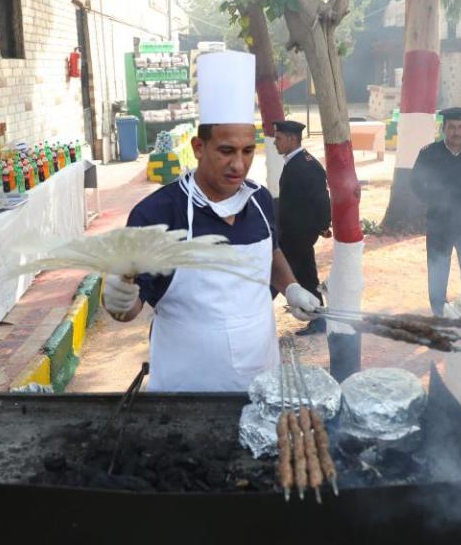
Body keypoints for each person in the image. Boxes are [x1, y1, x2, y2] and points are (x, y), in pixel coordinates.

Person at [101, 51, 322, 392]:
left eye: (248, 151)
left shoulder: (261, 201)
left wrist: (290, 287)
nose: (239, 164)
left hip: (260, 381)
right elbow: (129, 308)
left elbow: (271, 251)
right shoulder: (157, 215)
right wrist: (118, 300)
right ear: (199, 147)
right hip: (186, 393)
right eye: (226, 151)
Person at [411, 107, 461, 316]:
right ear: (443, 128)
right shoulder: (429, 153)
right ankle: (440, 313)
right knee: (438, 270)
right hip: (439, 223)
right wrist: (434, 201)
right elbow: (415, 182)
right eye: (451, 127)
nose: (456, 132)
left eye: (460, 127)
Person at [273, 120, 332, 336]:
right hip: (290, 232)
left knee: (295, 274)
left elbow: (321, 198)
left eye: (278, 139)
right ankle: (318, 318)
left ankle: (318, 319)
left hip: (299, 233)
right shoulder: (294, 162)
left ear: (290, 139)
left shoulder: (306, 165)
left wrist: (323, 225)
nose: (275, 143)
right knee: (303, 274)